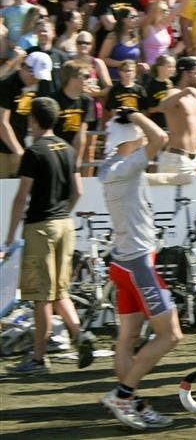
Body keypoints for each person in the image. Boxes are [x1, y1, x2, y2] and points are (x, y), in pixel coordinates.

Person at [98, 108, 184, 429]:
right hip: (138, 264)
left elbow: (143, 177)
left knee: (127, 338)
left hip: (122, 262)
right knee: (171, 335)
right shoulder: (126, 164)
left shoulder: (113, 167)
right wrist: (135, 114)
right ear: (132, 136)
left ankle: (130, 401)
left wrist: (174, 178)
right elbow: (161, 137)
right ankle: (123, 395)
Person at [3, 97, 94, 375]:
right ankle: (80, 336)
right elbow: (78, 191)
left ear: (33, 121)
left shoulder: (34, 152)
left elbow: (21, 197)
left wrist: (9, 238)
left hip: (41, 226)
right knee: (60, 291)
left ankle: (39, 359)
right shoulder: (67, 149)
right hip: (64, 224)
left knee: (40, 296)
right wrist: (62, 213)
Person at [153, 56, 196, 174]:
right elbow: (162, 106)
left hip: (195, 159)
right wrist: (186, 92)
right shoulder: (174, 92)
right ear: (186, 73)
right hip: (176, 159)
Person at [0, 52, 52, 178]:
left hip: (19, 145)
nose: (36, 80)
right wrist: (19, 152)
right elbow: (2, 124)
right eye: (34, 75)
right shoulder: (6, 85)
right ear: (25, 67)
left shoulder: (36, 85)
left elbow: (33, 119)